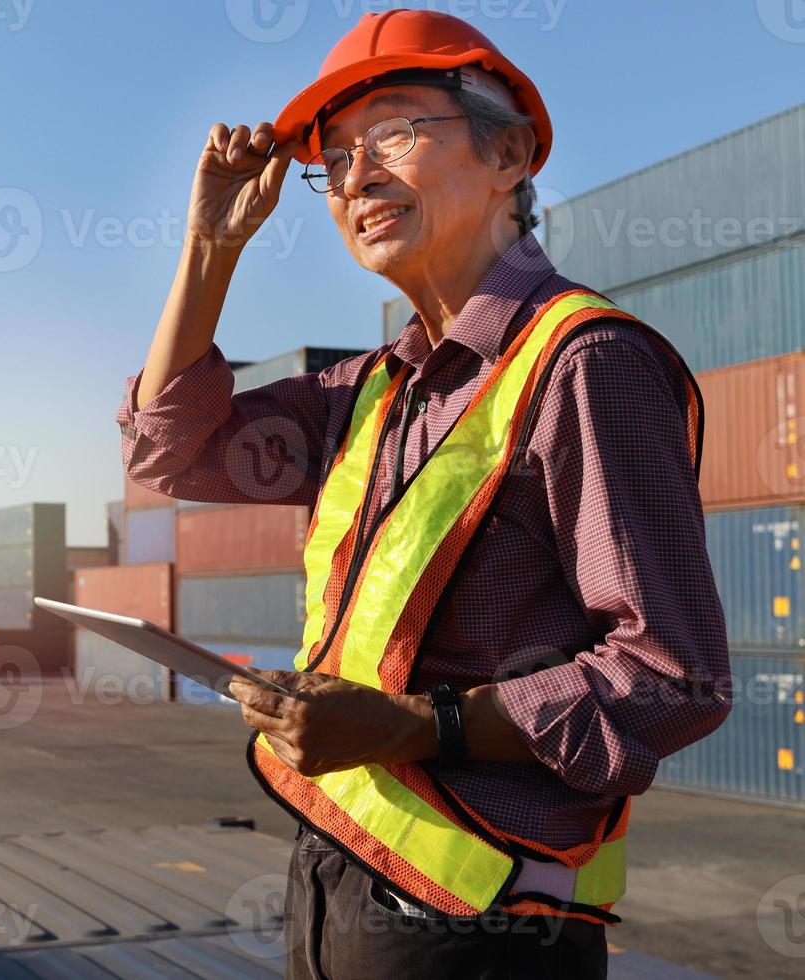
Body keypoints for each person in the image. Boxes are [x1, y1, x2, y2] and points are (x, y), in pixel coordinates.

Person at [117, 10, 730, 978]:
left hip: (487, 935)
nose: (354, 174)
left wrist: (419, 725)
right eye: (334, 159)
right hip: (330, 885)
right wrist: (210, 248)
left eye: (392, 132)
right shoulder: (365, 392)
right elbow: (167, 452)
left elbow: (673, 675)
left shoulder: (587, 365)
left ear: (510, 152)